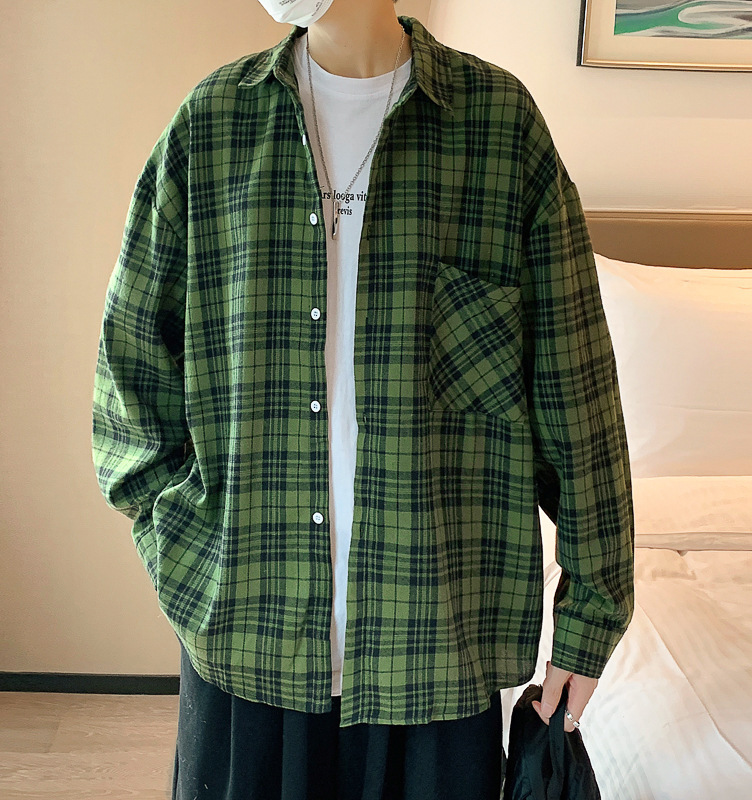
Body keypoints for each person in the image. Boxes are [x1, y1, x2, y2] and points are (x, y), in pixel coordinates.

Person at [91, 1, 635, 798]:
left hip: (436, 643)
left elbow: (577, 392)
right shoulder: (210, 127)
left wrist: (590, 619)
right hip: (247, 630)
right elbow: (130, 371)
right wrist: (183, 547)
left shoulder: (497, 128)